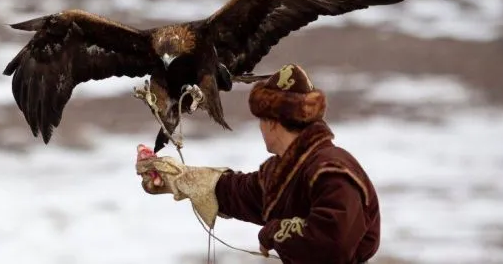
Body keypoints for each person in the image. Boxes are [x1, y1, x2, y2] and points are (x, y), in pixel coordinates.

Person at [135, 64, 380, 264]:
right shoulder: (286, 170)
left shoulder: (332, 169)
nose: (260, 128)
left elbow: (334, 242)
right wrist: (174, 176)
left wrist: (274, 232)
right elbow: (235, 191)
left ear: (272, 122)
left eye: (261, 120)